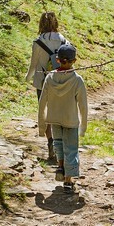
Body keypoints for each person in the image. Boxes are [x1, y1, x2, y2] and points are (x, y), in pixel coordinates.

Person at [38, 42, 88, 192]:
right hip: (70, 120)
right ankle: (68, 180)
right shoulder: (77, 80)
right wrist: (83, 127)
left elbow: (42, 103)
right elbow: (83, 106)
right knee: (71, 149)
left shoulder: (50, 77)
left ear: (57, 60)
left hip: (54, 118)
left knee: (58, 144)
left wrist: (41, 126)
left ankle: (60, 167)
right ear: (74, 61)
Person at [26, 11, 67, 160]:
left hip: (42, 81)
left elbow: (33, 65)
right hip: (61, 81)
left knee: (46, 113)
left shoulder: (38, 42)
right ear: (55, 23)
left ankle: (51, 144)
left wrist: (27, 78)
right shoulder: (63, 40)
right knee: (59, 112)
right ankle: (60, 144)